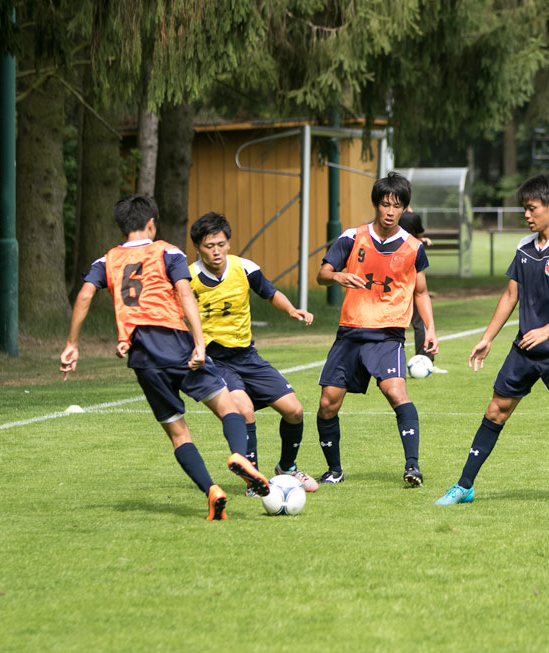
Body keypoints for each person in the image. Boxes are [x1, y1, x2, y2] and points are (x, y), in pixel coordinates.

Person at [59, 195, 271, 521]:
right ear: (151, 224)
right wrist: (199, 342)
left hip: (142, 358)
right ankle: (239, 456)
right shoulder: (166, 251)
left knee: (178, 434)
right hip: (176, 345)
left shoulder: (108, 259)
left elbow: (85, 293)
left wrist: (72, 344)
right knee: (229, 407)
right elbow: (184, 293)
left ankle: (211, 491)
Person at [435, 175, 549, 506]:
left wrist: (547, 330)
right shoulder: (524, 247)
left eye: (531, 208)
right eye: (524, 208)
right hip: (525, 349)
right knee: (496, 411)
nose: (526, 214)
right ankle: (465, 485)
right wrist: (487, 338)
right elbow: (511, 295)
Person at [315, 172, 438, 487]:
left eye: (396, 206)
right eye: (384, 204)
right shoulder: (352, 237)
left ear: (404, 208)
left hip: (387, 334)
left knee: (396, 392)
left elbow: (421, 292)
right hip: (350, 331)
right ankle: (334, 470)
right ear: (376, 204)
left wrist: (430, 331)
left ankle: (413, 467)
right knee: (328, 402)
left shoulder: (412, 247)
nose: (389, 211)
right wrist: (339, 277)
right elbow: (322, 273)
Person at [188, 212, 319, 496]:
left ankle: (286, 468)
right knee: (244, 411)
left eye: (221, 244)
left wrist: (292, 309)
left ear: (229, 243)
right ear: (198, 247)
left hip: (248, 356)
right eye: (209, 246)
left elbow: (270, 293)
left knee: (294, 410)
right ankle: (254, 482)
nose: (216, 251)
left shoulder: (244, 268)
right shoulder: (189, 278)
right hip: (216, 361)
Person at [398, 209, 447, 374]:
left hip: (392, 276)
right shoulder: (412, 217)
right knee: (420, 322)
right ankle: (425, 359)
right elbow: (415, 236)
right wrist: (421, 239)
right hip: (410, 274)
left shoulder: (387, 219)